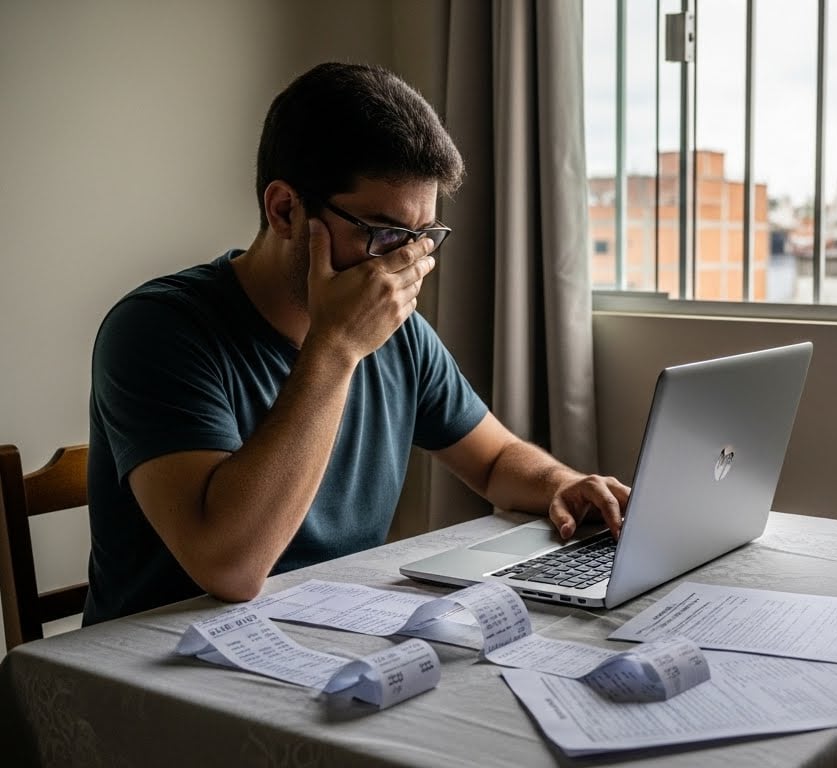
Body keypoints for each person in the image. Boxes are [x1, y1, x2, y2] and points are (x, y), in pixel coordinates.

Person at [83, 62, 629, 626]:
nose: (406, 262)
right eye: (386, 233)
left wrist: (561, 483)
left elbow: (492, 461)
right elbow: (230, 568)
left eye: (424, 237)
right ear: (285, 210)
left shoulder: (399, 331)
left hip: (329, 628)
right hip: (157, 667)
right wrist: (337, 347)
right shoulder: (156, 329)